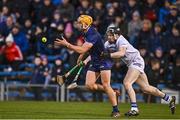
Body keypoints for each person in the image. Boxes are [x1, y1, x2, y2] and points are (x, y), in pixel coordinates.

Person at [55, 15, 120, 118]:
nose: (78, 24)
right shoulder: (85, 32)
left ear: (85, 24)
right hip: (94, 61)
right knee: (89, 85)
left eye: (80, 23)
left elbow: (82, 49)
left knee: (106, 85)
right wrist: (81, 58)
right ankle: (113, 92)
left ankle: (116, 110)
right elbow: (86, 48)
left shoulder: (92, 34)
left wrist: (67, 44)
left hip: (104, 61)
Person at [101, 27, 176, 116]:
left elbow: (121, 53)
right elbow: (100, 53)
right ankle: (169, 98)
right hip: (133, 63)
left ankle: (134, 108)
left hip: (136, 61)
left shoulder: (121, 40)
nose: (109, 37)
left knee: (127, 83)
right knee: (146, 88)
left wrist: (108, 55)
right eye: (108, 35)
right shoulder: (108, 43)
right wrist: (87, 60)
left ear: (116, 35)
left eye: (110, 35)